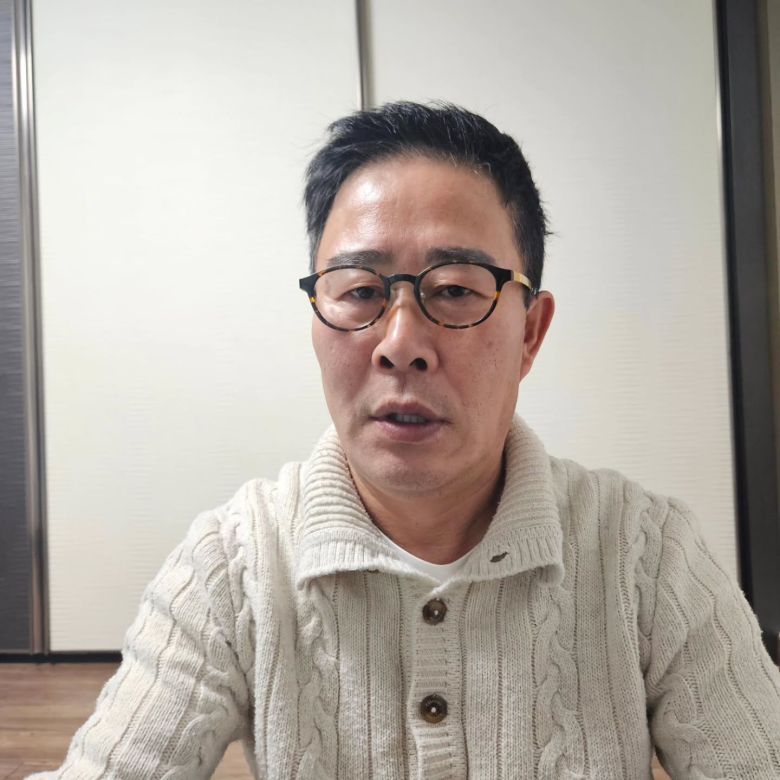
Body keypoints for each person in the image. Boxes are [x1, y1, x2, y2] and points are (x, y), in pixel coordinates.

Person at [31, 102, 780, 779]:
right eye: (360, 290)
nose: (400, 344)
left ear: (530, 331)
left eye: (454, 289)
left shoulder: (648, 555)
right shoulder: (233, 563)